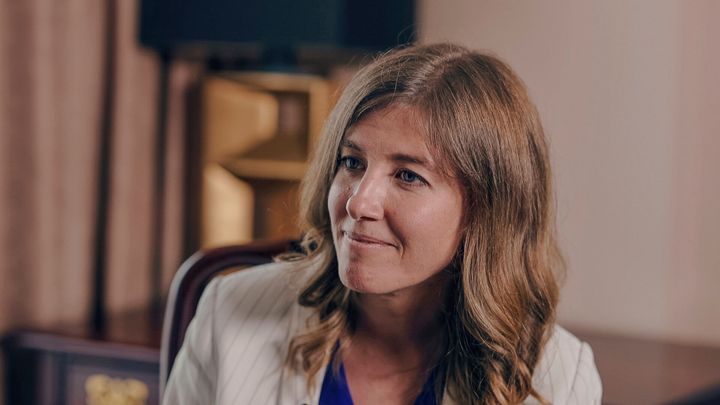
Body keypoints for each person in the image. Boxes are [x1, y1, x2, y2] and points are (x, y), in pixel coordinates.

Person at [163, 43, 602, 405]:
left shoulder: (559, 376)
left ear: (486, 211)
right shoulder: (229, 311)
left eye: (408, 176)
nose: (359, 202)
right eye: (352, 162)